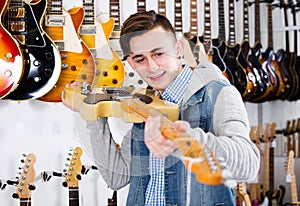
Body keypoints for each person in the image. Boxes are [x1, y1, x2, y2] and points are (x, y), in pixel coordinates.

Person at [84, 10, 260, 205]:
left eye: (158, 53)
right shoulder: (145, 102)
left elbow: (249, 165)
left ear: (179, 48)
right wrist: (93, 113)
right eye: (140, 59)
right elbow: (117, 178)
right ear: (132, 63)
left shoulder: (218, 93)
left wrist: (187, 143)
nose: (152, 66)